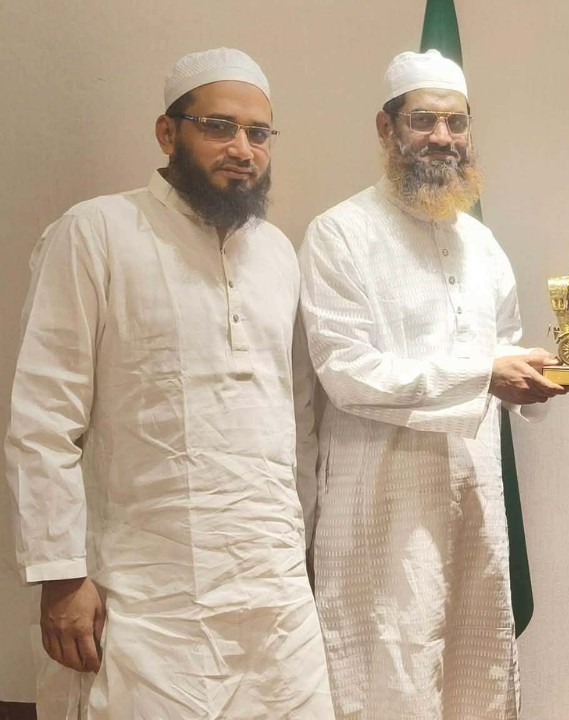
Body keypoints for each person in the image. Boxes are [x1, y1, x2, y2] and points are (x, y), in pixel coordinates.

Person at [5, 48, 333, 718]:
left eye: (258, 133)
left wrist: (301, 547)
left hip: (273, 591)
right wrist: (60, 575)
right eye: (219, 126)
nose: (242, 148)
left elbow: (296, 416)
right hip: (146, 595)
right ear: (167, 132)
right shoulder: (96, 231)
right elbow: (43, 417)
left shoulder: (277, 253)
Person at [298, 49, 565, 719]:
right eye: (423, 120)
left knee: (475, 669)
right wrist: (484, 373)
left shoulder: (481, 244)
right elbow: (347, 373)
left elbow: (503, 347)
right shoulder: (339, 234)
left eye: (457, 122)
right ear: (386, 128)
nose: (442, 137)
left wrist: (544, 375)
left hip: (475, 496)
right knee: (390, 665)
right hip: (380, 507)